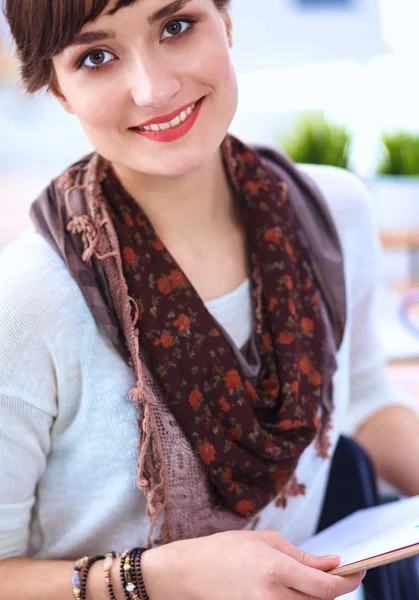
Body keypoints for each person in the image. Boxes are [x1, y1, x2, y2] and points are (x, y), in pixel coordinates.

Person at [1, 1, 419, 599]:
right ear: (60, 90)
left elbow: (367, 396)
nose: (153, 89)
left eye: (176, 26)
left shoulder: (334, 213)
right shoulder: (29, 298)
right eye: (96, 56)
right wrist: (155, 579)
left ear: (225, 19)